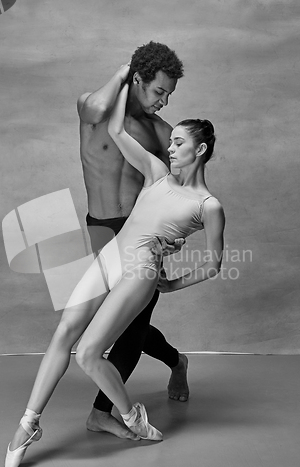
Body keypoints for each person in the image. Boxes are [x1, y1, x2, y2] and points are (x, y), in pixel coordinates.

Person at [4, 80, 225, 467]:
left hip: (140, 272)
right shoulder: (156, 171)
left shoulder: (208, 205)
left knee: (89, 353)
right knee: (64, 332)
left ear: (200, 150)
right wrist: (128, 76)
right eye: (170, 142)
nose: (169, 149)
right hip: (110, 256)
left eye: (177, 143)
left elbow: (213, 264)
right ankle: (28, 424)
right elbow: (116, 129)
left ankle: (130, 414)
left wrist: (172, 284)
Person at [78, 41, 189, 442]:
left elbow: (177, 188)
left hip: (140, 233)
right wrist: (123, 71)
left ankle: (102, 414)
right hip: (101, 228)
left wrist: (173, 234)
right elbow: (93, 108)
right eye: (158, 91)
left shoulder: (161, 132)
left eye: (169, 95)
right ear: (136, 79)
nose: (163, 102)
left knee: (133, 326)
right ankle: (177, 360)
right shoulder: (96, 109)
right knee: (109, 324)